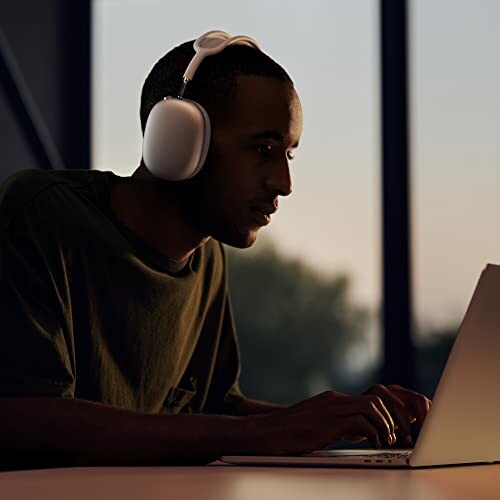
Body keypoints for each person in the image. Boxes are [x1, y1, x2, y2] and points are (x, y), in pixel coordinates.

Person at [0, 31, 431, 468]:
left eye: (288, 155)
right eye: (263, 149)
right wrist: (269, 432)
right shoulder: (43, 214)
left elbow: (214, 411)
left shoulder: (205, 258)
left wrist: (340, 420)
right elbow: (24, 417)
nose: (283, 183)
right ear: (178, 138)